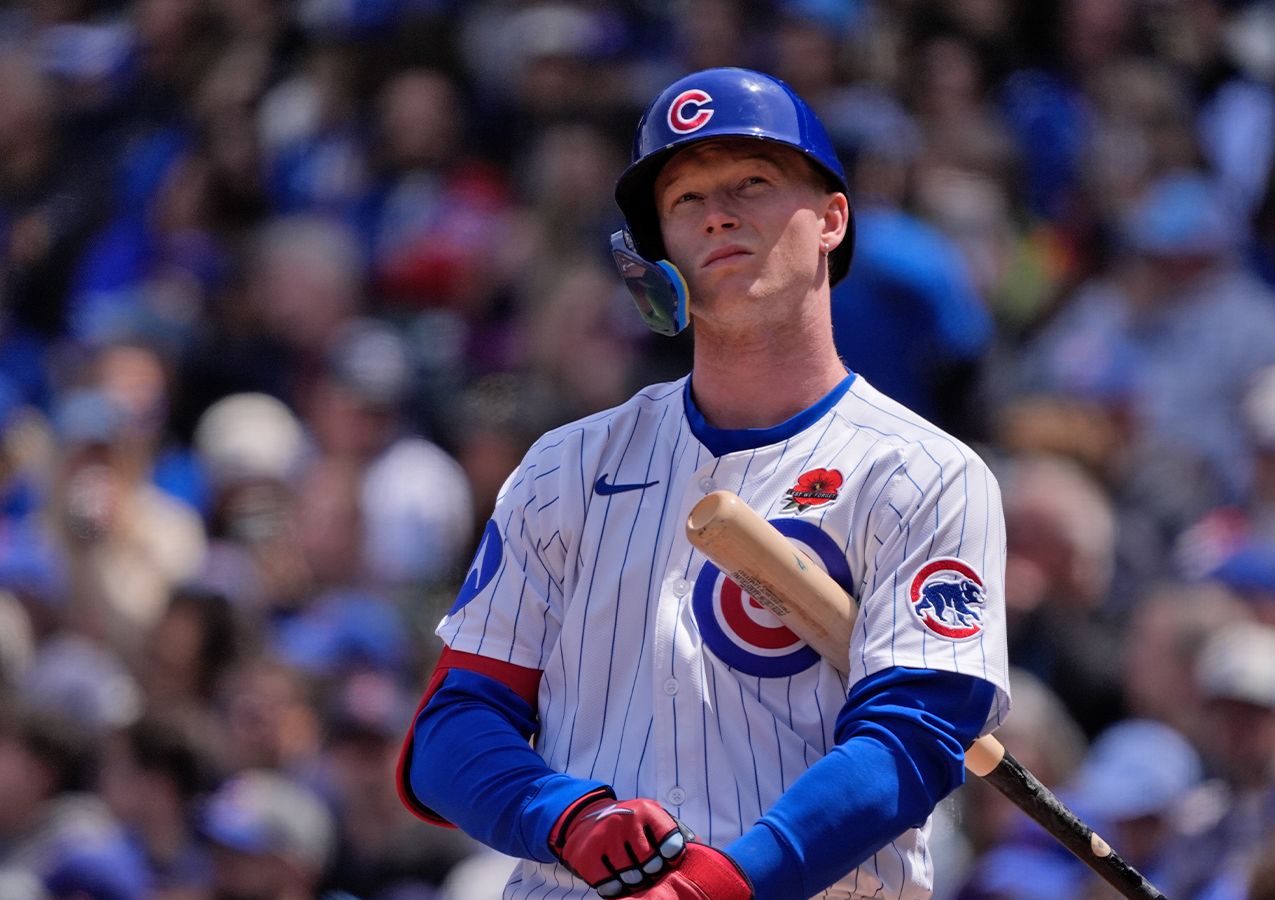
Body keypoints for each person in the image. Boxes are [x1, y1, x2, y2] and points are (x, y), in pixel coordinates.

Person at [397, 68, 1010, 900]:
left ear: (832, 219)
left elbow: (912, 737)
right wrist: (567, 817)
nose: (718, 213)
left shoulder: (924, 472)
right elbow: (452, 727)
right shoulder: (564, 467)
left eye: (752, 182)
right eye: (685, 198)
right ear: (659, 252)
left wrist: (730, 882)